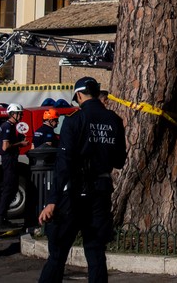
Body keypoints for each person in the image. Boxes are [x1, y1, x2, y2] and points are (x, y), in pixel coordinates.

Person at [37, 76, 127, 283]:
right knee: (95, 252)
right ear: (96, 93)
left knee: (58, 252)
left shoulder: (74, 120)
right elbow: (120, 160)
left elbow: (64, 163)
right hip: (101, 192)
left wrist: (52, 200)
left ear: (78, 95)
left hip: (75, 193)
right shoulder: (114, 120)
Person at [0, 103, 28, 228]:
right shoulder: (8, 126)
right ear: (13, 114)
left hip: (9, 159)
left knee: (11, 188)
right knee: (9, 188)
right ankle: (0, 217)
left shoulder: (9, 126)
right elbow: (5, 146)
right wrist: (20, 144)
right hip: (9, 159)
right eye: (20, 113)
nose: (21, 115)